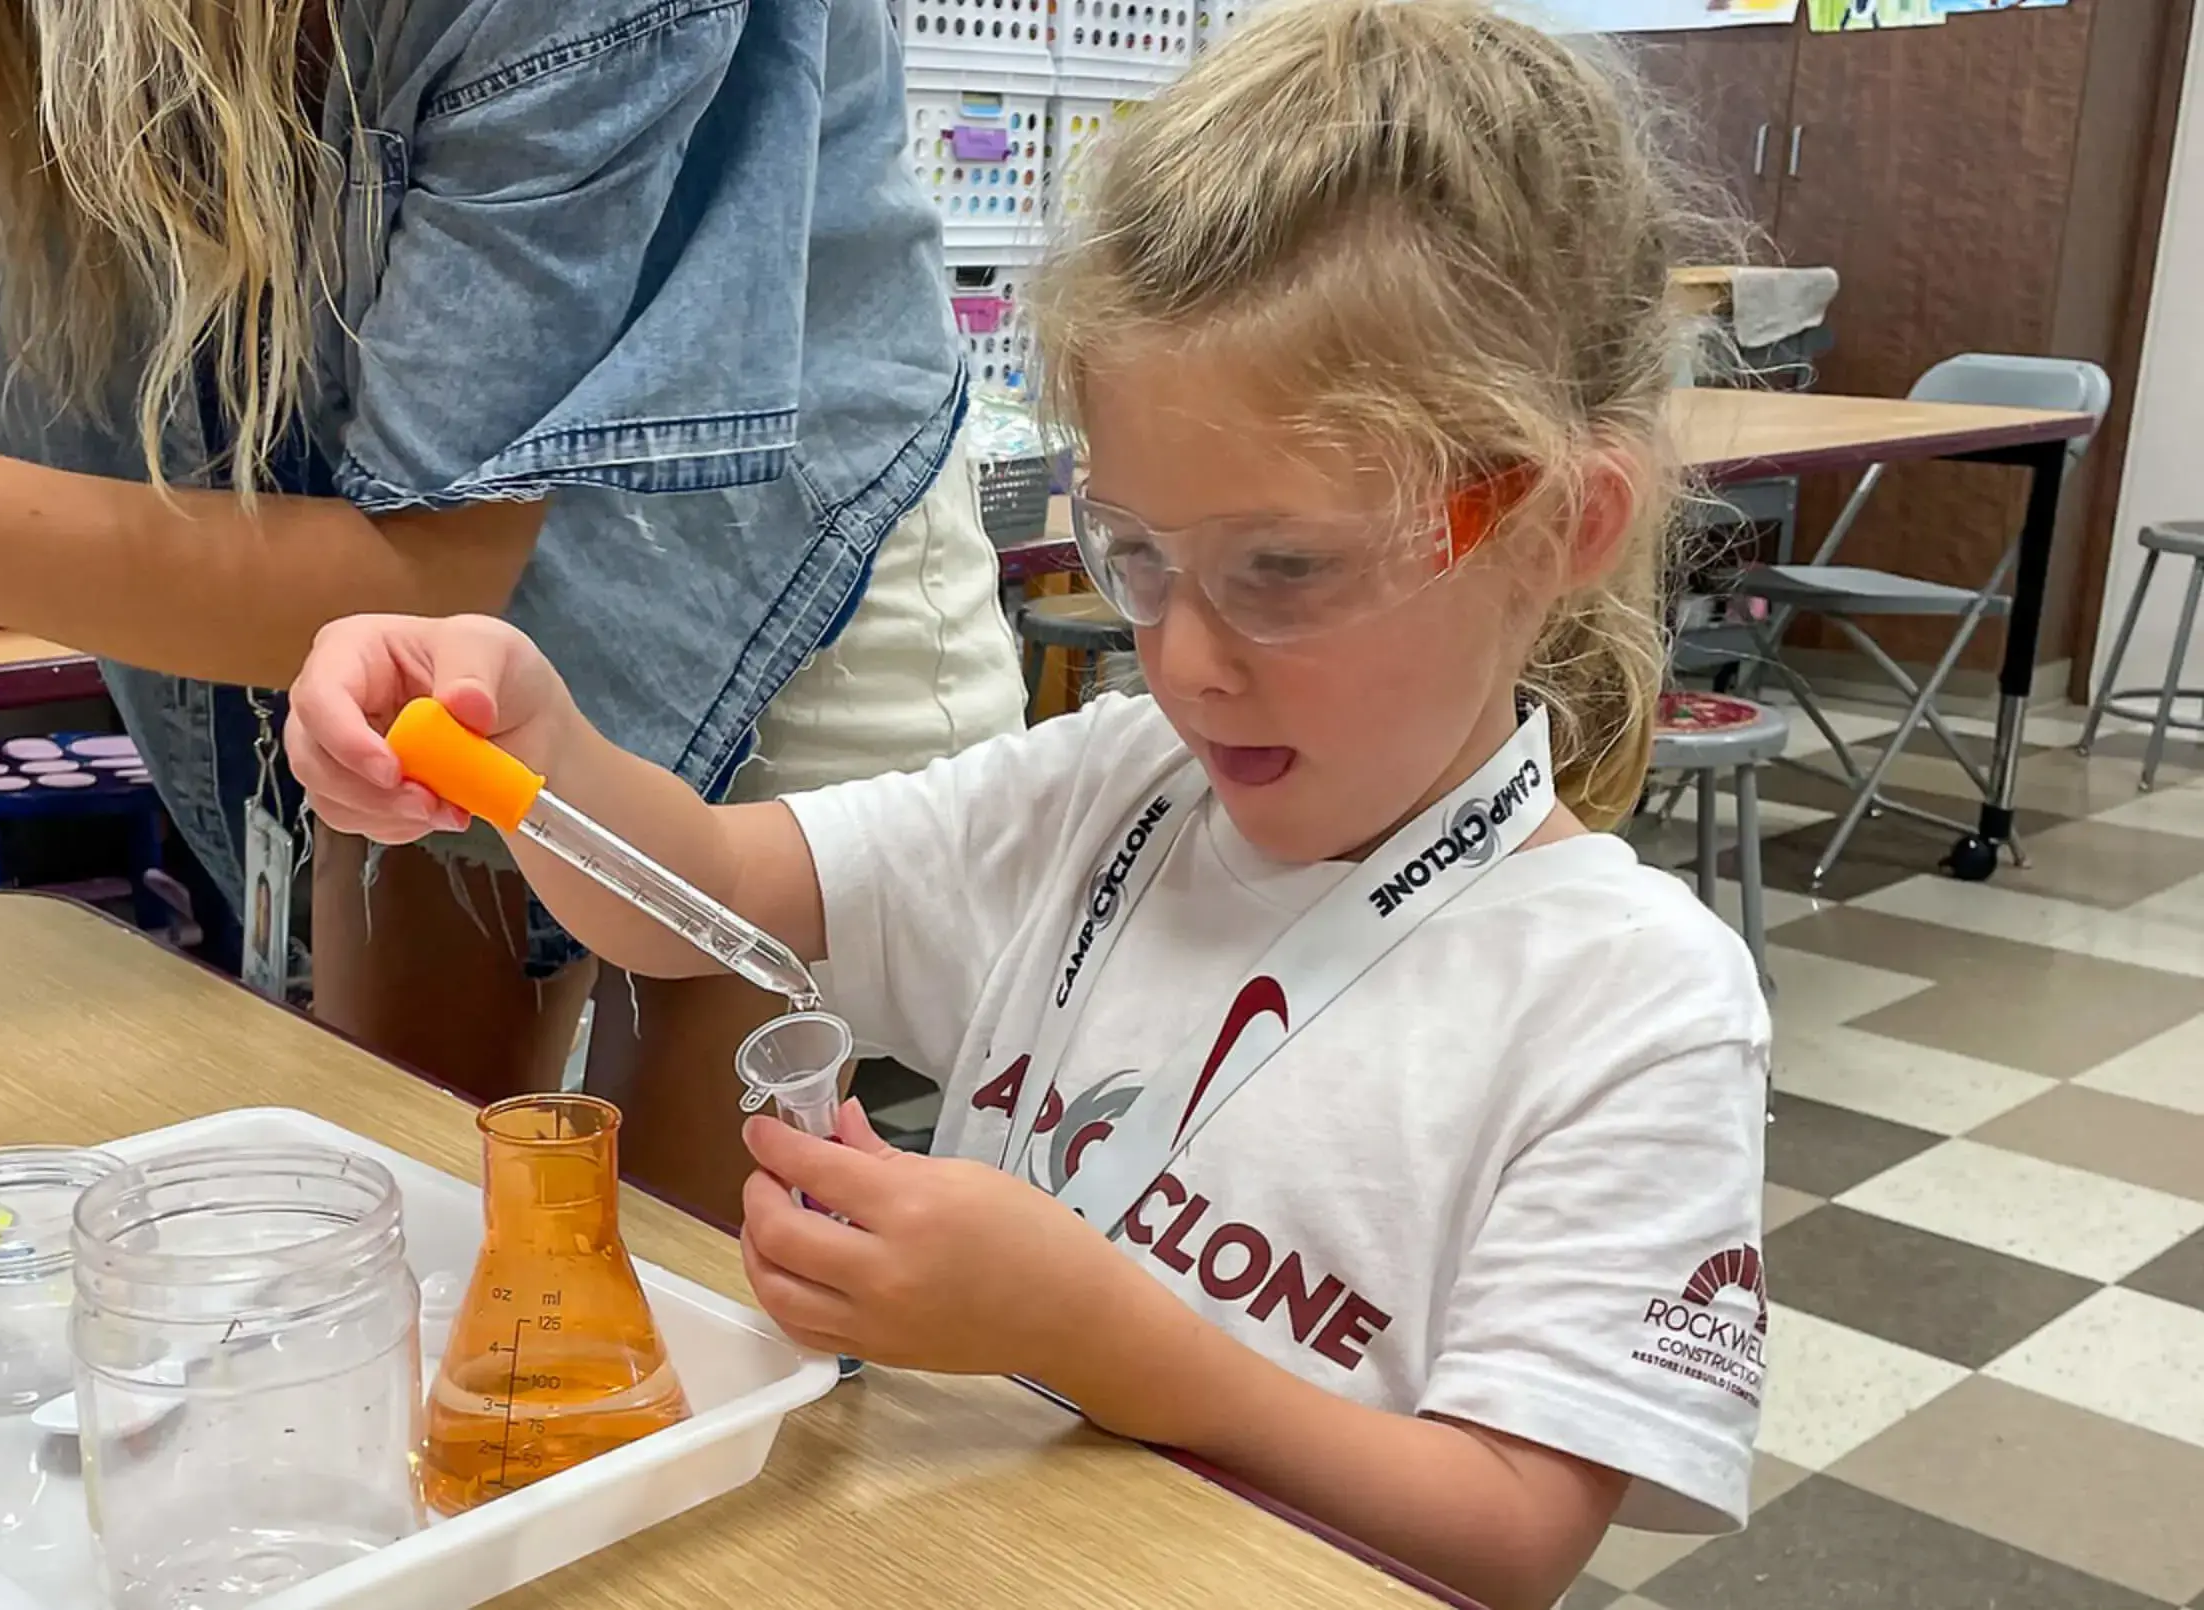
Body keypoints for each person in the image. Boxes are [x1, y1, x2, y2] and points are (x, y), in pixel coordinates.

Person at [285, 2, 1767, 1604]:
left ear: (1561, 523)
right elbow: (701, 886)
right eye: (1137, 555)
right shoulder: (1103, 790)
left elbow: (1513, 1528)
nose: (1188, 661)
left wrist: (1101, 1340)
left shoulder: (1631, 1000)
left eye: (1282, 569)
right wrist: (533, 748)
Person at [0, 0, 1022, 1211]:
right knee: (398, 1217)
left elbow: (416, 563)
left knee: (699, 1309)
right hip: (373, 632)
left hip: (752, 577)